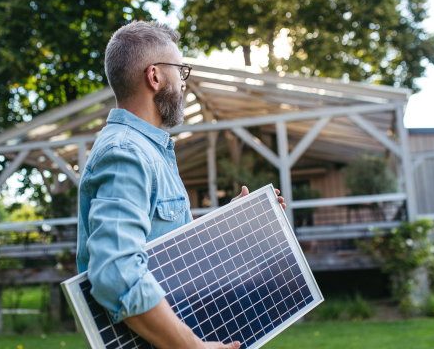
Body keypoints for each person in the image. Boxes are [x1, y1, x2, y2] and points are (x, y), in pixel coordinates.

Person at [76, 21, 286, 349]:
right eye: (181, 70)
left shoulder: (149, 151)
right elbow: (116, 272)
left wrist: (228, 223)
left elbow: (167, 249)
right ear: (155, 76)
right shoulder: (126, 153)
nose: (184, 83)